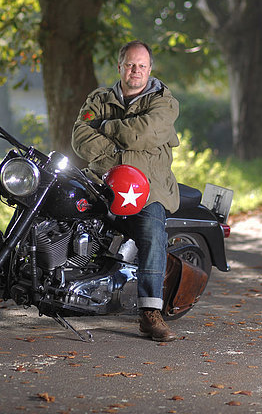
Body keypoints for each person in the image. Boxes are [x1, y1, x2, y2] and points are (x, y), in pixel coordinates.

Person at [71, 40, 180, 341]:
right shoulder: (100, 99)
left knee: (153, 234)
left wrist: (106, 126)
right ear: (120, 67)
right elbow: (80, 133)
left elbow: (142, 133)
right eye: (130, 65)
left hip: (147, 188)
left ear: (149, 69)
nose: (135, 70)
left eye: (141, 66)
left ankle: (149, 312)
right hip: (101, 181)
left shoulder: (164, 102)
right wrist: (116, 143)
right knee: (60, 207)